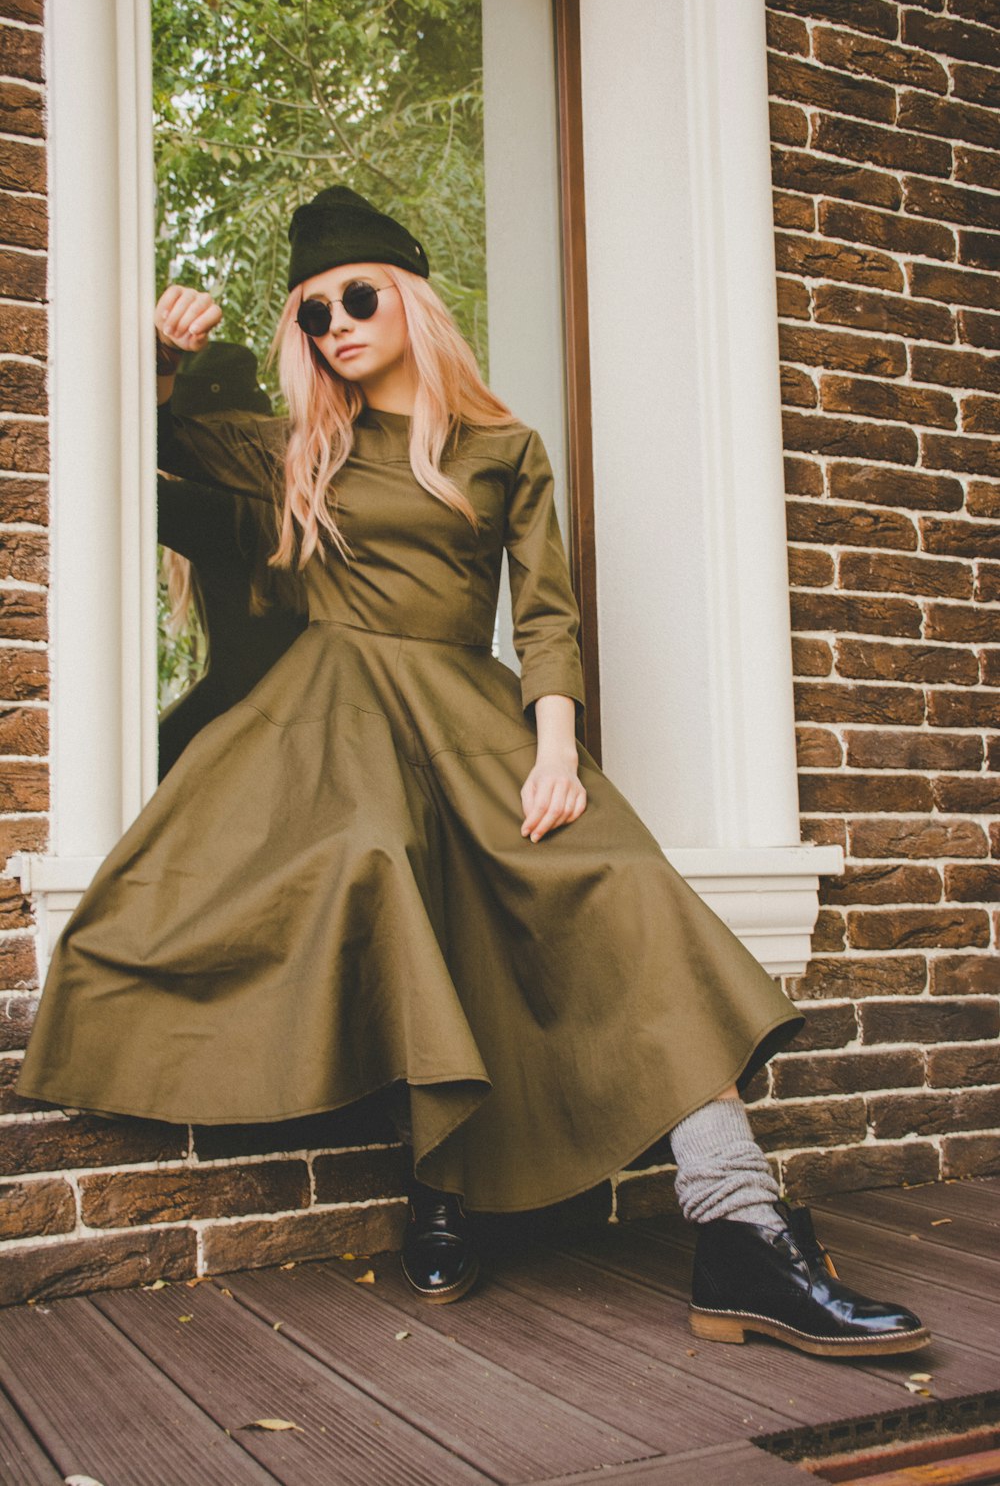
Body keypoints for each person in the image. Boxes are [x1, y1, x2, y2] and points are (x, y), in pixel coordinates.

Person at [16, 187, 929, 1358]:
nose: (334, 325)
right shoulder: (295, 447)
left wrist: (558, 749)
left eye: (355, 297)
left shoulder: (503, 447)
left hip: (468, 706)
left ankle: (739, 1230)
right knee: (386, 878)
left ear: (411, 300)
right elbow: (134, 459)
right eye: (309, 315)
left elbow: (545, 615)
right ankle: (440, 1186)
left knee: (620, 884)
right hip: (328, 720)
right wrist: (155, 355)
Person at [157, 342, 308, 780]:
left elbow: (109, 474)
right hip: (315, 717)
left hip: (247, 719)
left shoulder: (210, 509)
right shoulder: (308, 506)